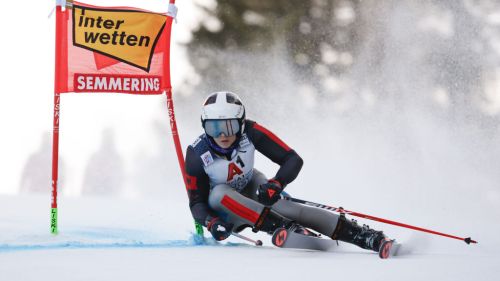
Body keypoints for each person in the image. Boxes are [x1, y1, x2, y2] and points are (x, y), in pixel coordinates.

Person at [185, 91, 390, 253]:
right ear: (205, 126)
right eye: (214, 128)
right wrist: (212, 223)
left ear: (241, 122)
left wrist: (277, 183)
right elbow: (197, 203)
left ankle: (363, 235)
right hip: (225, 211)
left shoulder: (251, 131)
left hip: (250, 186)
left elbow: (292, 159)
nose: (222, 135)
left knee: (287, 207)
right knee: (220, 193)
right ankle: (280, 226)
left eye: (229, 126)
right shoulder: (197, 154)